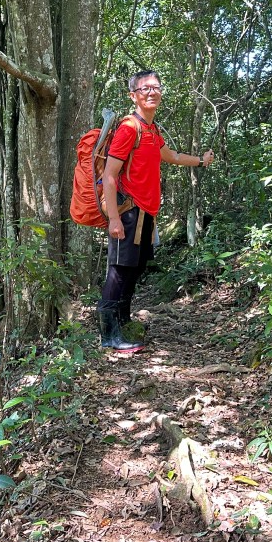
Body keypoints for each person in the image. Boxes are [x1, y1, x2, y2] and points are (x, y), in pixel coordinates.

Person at [98, 70, 215, 352]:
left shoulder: (151, 130)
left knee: (136, 267)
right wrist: (114, 218)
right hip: (128, 211)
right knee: (119, 269)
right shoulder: (129, 128)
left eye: (156, 87)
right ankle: (109, 336)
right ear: (133, 95)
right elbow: (110, 175)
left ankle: (122, 322)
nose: (151, 92)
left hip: (146, 213)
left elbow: (171, 156)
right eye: (145, 88)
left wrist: (201, 161)